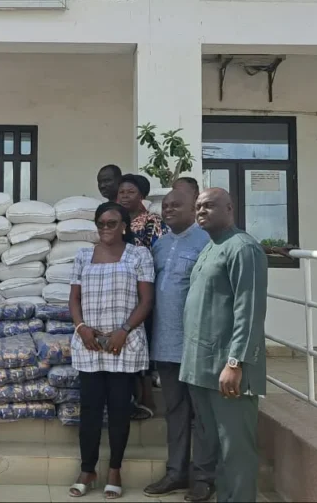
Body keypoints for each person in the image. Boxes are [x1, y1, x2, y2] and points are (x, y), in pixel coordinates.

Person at [180, 188, 268, 503]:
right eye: (198, 206)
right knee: (216, 447)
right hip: (201, 368)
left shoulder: (243, 249)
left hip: (228, 370)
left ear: (229, 208)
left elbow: (250, 311)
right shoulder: (210, 247)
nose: (201, 211)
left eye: (209, 205)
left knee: (236, 449)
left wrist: (235, 363)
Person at [68, 202, 155, 500]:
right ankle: (87, 470)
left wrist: (124, 330)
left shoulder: (139, 255)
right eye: (101, 223)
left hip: (123, 345)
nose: (106, 228)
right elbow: (74, 299)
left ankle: (115, 470)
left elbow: (146, 300)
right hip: (89, 344)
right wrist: (81, 328)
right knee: (90, 410)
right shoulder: (83, 255)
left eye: (112, 223)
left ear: (124, 226)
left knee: (119, 410)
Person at [143, 189, 216, 501]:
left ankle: (203, 476)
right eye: (165, 205)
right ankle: (176, 472)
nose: (168, 209)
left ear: (194, 208)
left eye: (176, 205)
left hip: (196, 344)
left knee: (202, 413)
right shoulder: (160, 244)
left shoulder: (207, 242)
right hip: (165, 344)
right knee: (174, 410)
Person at [117, 174, 162, 420]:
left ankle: (147, 399)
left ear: (142, 196)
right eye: (121, 192)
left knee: (143, 340)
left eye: (130, 192)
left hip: (143, 291)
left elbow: (159, 254)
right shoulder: (117, 221)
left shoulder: (152, 221)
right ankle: (131, 399)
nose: (124, 196)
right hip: (121, 293)